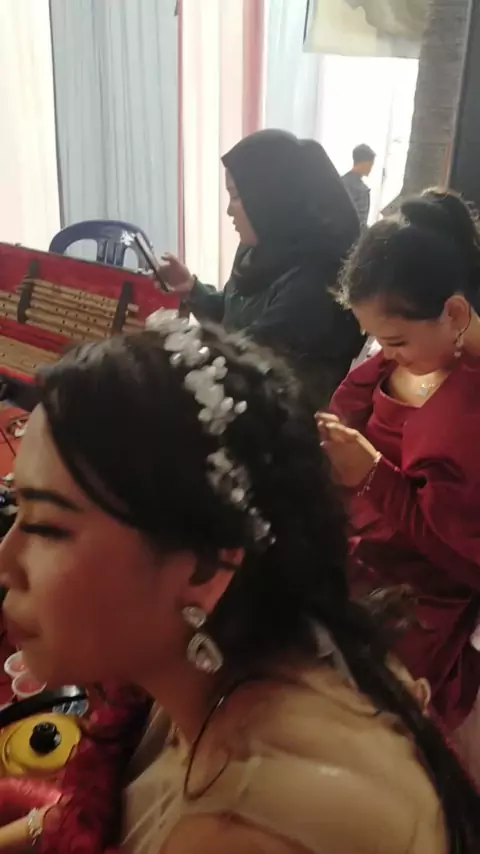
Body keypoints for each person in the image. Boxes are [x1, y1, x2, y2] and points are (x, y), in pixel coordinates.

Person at [0, 312, 478, 853]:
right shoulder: (225, 654)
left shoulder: (246, 831)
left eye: (47, 526)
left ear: (204, 568)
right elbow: (82, 813)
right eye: (16, 508)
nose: (5, 561)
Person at [319, 189, 480, 786]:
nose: (383, 353)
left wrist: (371, 476)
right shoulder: (409, 358)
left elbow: (463, 560)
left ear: (454, 315)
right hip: (363, 556)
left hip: (423, 601)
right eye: (374, 340)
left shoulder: (468, 400)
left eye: (394, 341)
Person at [161, 129, 365, 405]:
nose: (229, 211)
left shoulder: (317, 277)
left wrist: (168, 352)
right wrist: (192, 289)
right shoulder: (258, 249)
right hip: (241, 395)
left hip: (283, 413)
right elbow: (233, 315)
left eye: (236, 196)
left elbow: (246, 350)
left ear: (271, 198)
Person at [342, 144, 376, 227]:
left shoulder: (340, 181)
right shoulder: (360, 189)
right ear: (365, 163)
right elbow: (360, 221)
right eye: (371, 164)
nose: (371, 168)